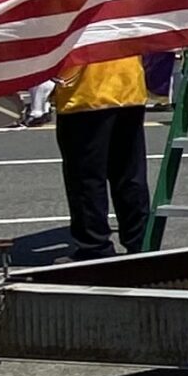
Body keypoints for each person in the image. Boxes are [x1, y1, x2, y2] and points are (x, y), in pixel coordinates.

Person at [51, 54, 152, 259]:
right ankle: (140, 241)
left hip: (85, 90)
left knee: (85, 178)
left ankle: (94, 246)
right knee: (130, 173)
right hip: (129, 84)